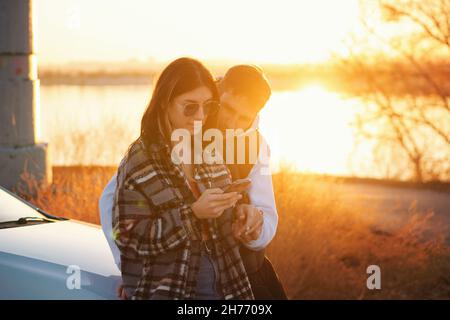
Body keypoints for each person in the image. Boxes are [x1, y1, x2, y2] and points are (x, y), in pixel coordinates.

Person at [100, 62, 287, 299]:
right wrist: (134, 273)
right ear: (217, 92)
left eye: (244, 117)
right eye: (227, 108)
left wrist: (252, 225)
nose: (231, 122)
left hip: (242, 274)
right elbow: (111, 203)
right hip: (185, 279)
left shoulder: (255, 146)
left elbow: (267, 215)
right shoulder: (175, 131)